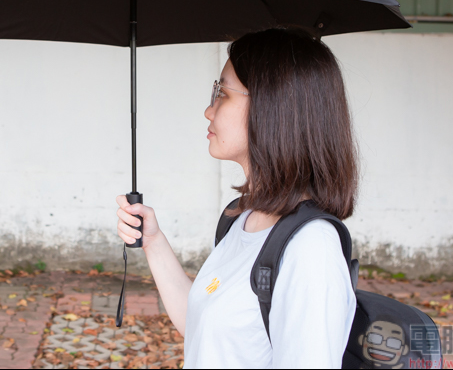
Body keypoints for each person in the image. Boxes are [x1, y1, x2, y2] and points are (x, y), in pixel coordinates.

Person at [115, 26, 358, 368]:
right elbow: (202, 324)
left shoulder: (310, 250)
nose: (208, 110)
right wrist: (153, 241)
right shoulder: (242, 219)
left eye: (221, 93)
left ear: (273, 107)